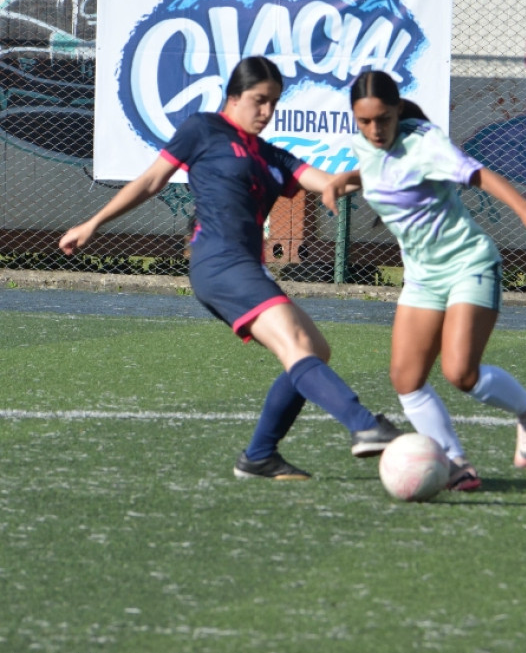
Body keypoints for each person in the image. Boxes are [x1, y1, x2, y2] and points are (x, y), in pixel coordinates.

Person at [59, 56, 400, 480]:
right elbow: (150, 181)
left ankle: (259, 456)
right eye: (259, 100)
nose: (267, 111)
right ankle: (364, 425)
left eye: (274, 102)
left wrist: (383, 168)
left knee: (314, 350)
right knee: (297, 343)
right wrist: (93, 223)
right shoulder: (203, 129)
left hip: (246, 266)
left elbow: (328, 182)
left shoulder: (272, 155)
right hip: (217, 261)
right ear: (233, 96)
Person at [323, 70, 526, 491]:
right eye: (365, 121)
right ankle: (455, 463)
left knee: (460, 372)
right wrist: (349, 178)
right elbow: (385, 169)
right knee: (406, 379)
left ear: (398, 110)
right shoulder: (365, 145)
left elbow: (478, 174)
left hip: (469, 265)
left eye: (383, 119)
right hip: (422, 279)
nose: (375, 130)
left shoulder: (425, 142)